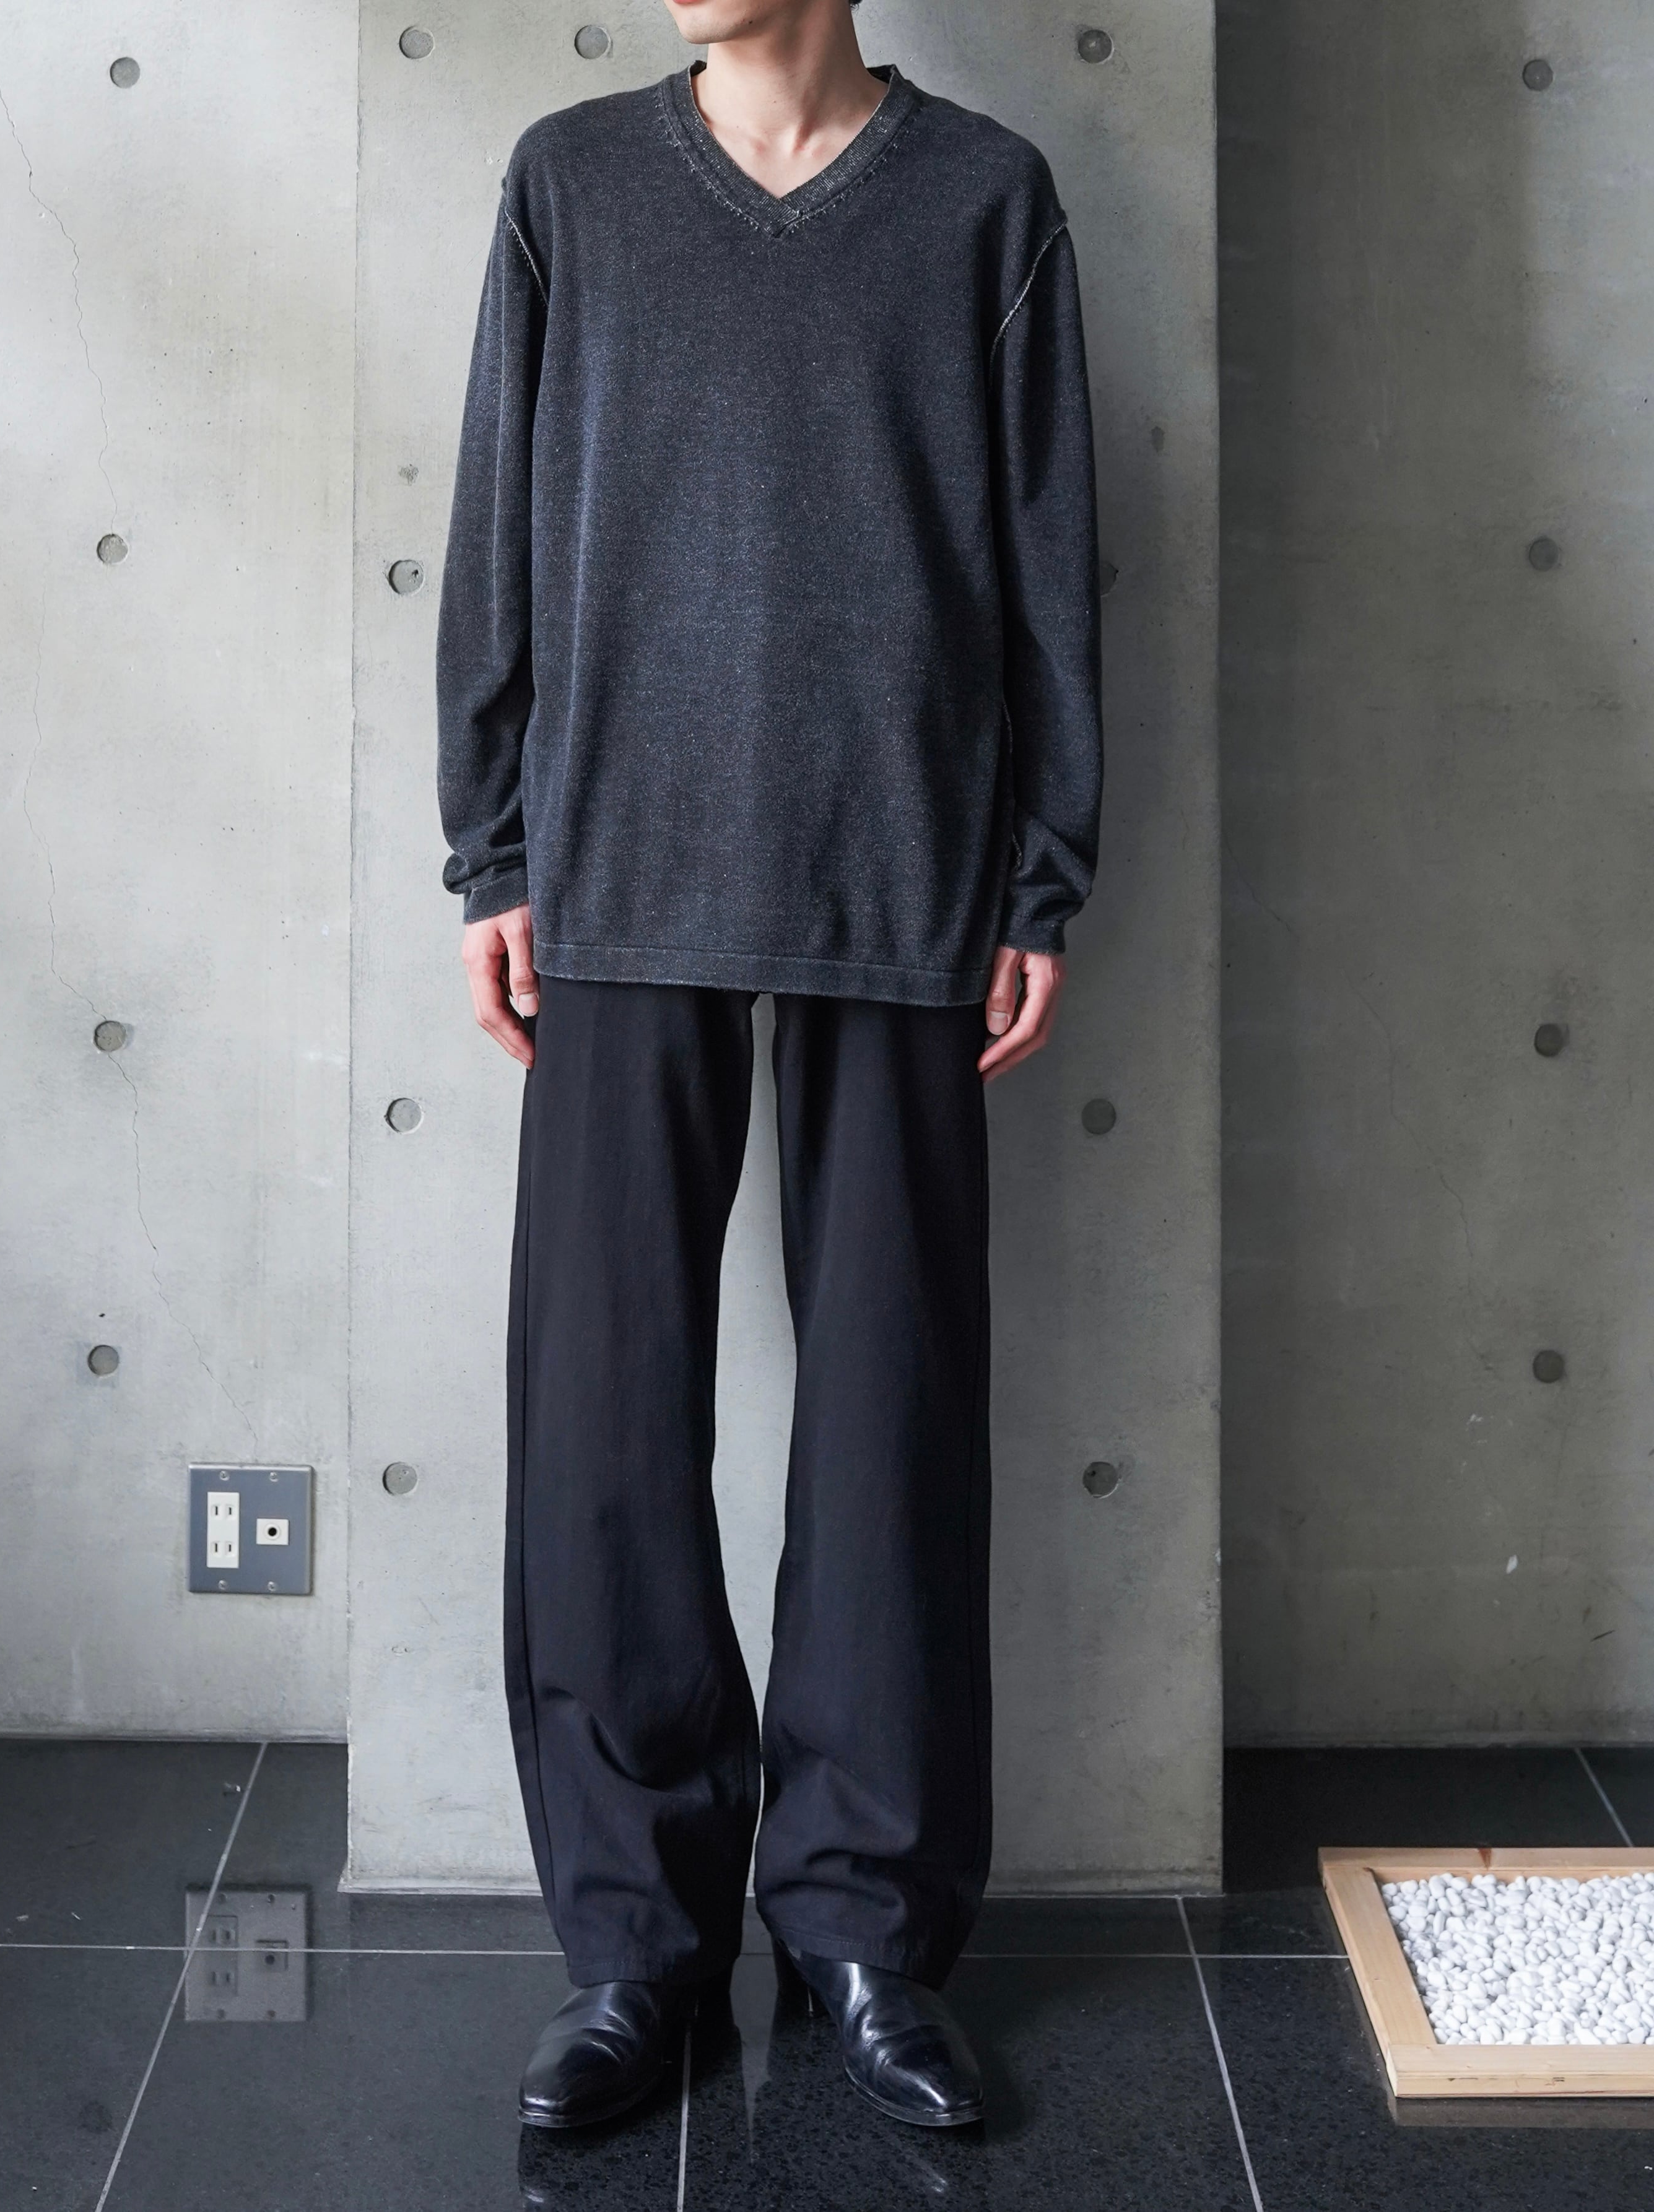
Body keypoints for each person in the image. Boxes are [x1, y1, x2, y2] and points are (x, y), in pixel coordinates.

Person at [436, 0, 1101, 2134]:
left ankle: (862, 1930)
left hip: (903, 866)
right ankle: (636, 1950)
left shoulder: (982, 198)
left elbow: (1046, 556)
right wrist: (493, 851)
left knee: (892, 1416)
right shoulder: (570, 184)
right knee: (601, 1426)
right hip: (618, 862)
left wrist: (1041, 874)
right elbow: (499, 519)